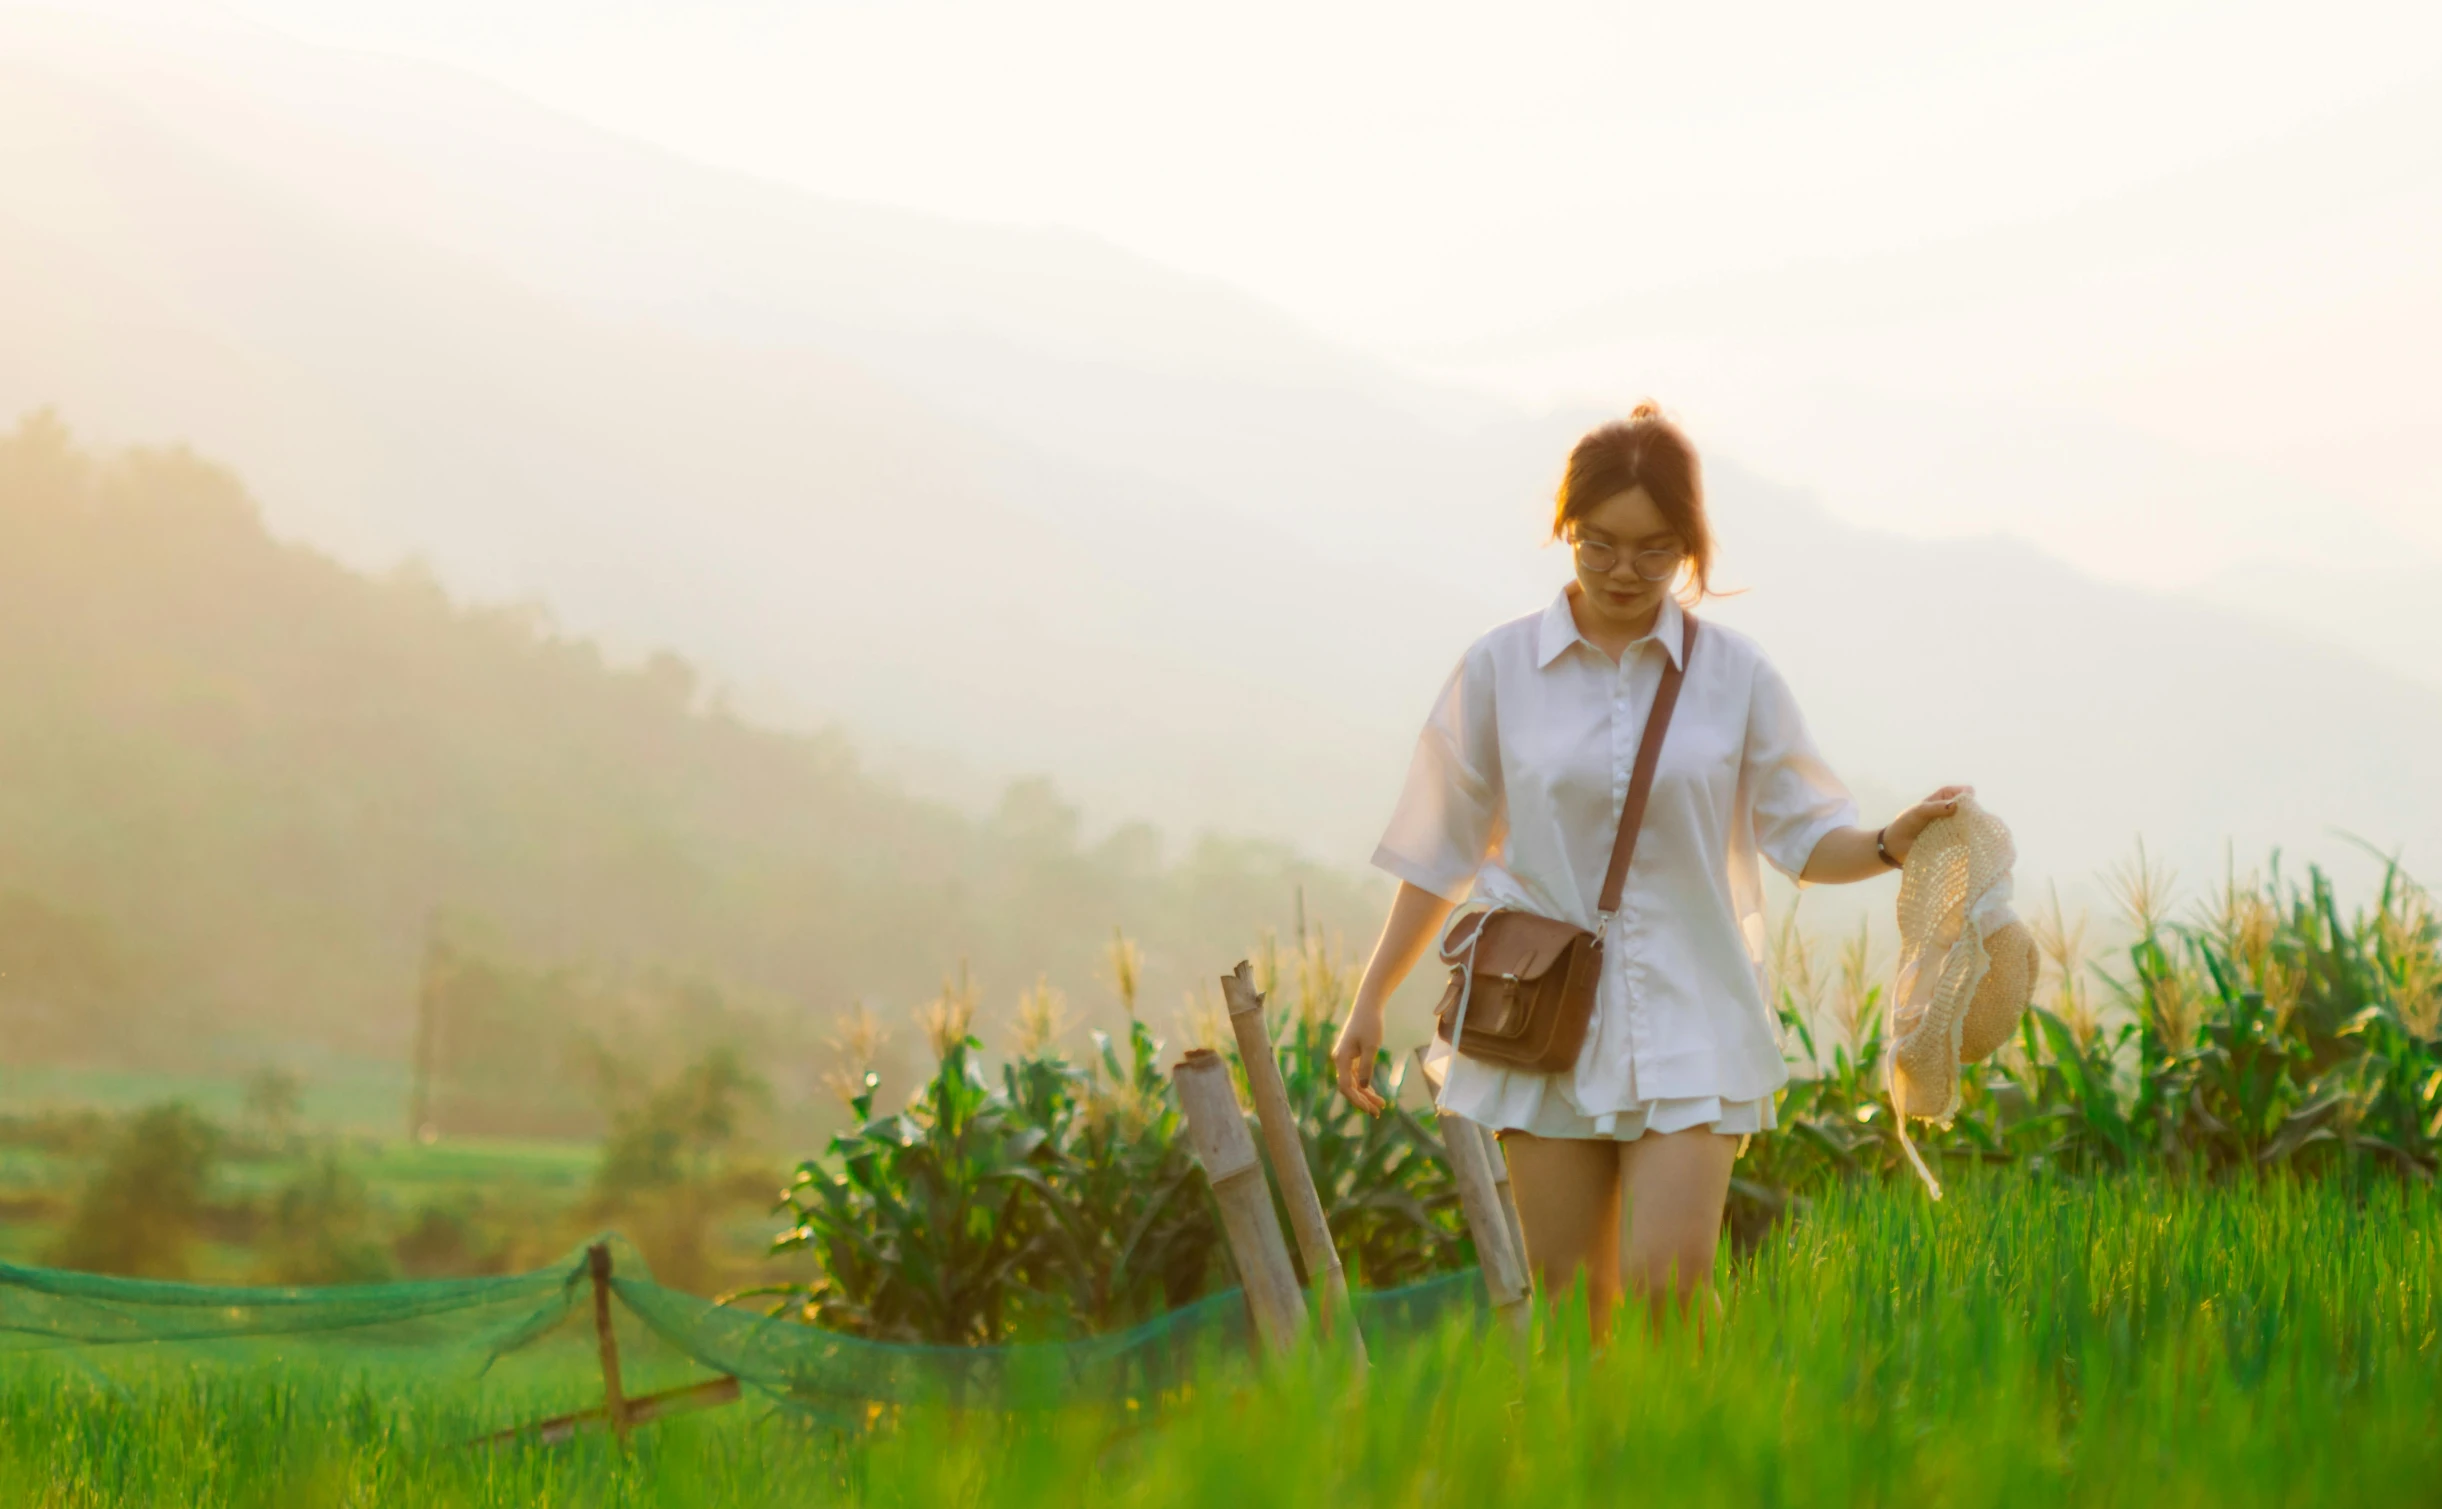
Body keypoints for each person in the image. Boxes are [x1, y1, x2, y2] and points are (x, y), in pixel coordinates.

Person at [1329, 401, 1969, 1343]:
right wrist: (1370, 994)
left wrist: (1888, 844)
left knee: (1671, 1289)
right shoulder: (1501, 668)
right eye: (1599, 545)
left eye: (1654, 549)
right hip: (1538, 1020)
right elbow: (1439, 851)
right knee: (1569, 1302)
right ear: (1565, 532)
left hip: (1694, 1010)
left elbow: (1804, 836)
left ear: (1690, 549)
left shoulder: (1736, 676)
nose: (1624, 571)